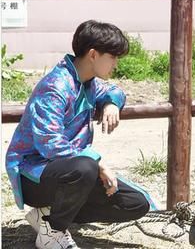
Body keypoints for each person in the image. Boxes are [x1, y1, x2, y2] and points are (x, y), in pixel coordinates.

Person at [5, 20, 155, 249]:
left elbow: (114, 91)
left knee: (136, 203)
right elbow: (50, 144)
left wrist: (112, 104)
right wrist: (99, 163)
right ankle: (52, 231)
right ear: (94, 55)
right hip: (33, 175)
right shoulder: (54, 86)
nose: (116, 63)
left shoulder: (90, 83)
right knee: (85, 168)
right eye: (113, 57)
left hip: (70, 170)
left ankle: (47, 215)